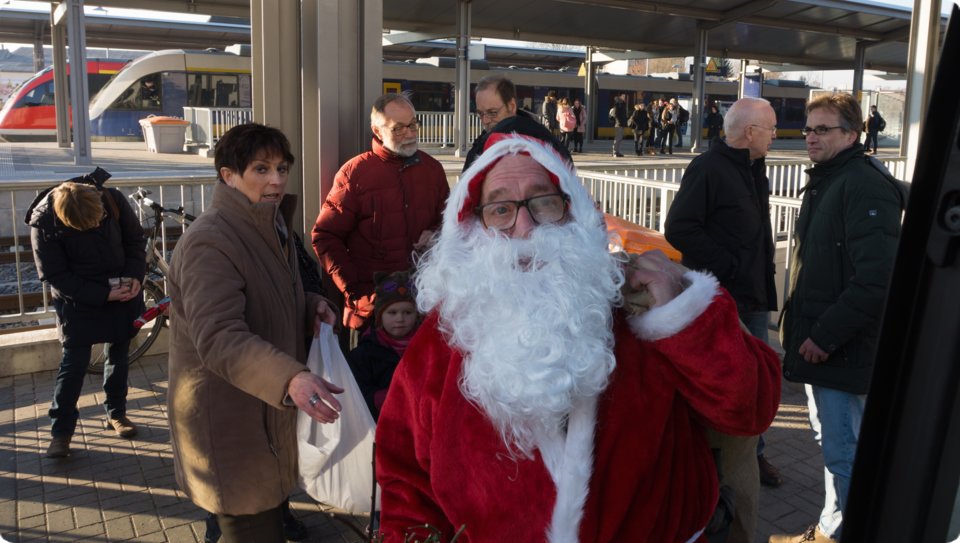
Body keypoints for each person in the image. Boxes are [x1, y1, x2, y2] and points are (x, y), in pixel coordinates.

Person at [375, 133, 782, 542]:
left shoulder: (642, 303)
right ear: (471, 228)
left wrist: (681, 310)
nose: (526, 226)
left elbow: (750, 410)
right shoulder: (446, 335)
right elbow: (403, 474)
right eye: (500, 210)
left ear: (574, 212)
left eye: (544, 202)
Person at [167, 123, 342, 543]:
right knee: (246, 526)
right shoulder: (212, 240)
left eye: (281, 168)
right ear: (228, 175)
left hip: (260, 412)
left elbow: (268, 298)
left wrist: (310, 305)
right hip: (229, 421)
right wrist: (290, 377)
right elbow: (219, 335)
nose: (276, 180)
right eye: (261, 169)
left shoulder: (270, 226)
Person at [770, 94, 907, 543]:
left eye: (822, 129)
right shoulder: (831, 178)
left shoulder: (860, 184)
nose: (810, 136)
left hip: (840, 348)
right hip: (823, 343)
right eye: (808, 128)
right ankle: (832, 528)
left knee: (845, 453)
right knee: (834, 446)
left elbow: (876, 278)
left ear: (851, 134)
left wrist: (824, 337)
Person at [665, 97, 782, 543]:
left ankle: (755, 455)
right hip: (726, 301)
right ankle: (726, 467)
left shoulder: (754, 170)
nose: (775, 135)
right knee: (735, 390)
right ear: (749, 132)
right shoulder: (709, 168)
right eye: (770, 128)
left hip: (753, 296)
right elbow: (680, 228)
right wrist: (730, 265)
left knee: (757, 386)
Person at [26, 169, 146, 458]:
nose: (96, 225)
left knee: (119, 356)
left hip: (122, 293)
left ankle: (116, 413)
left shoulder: (111, 199)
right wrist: (101, 294)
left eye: (99, 221)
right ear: (66, 220)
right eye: (87, 225)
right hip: (78, 302)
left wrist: (134, 277)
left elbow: (134, 241)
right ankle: (61, 433)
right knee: (73, 366)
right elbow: (55, 275)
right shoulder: (44, 222)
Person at [312, 93, 448, 341]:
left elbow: (452, 225)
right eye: (398, 129)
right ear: (377, 130)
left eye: (413, 124)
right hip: (373, 315)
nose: (409, 134)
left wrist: (437, 233)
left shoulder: (432, 170)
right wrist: (355, 294)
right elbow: (325, 236)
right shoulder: (355, 173)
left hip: (424, 309)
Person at [347, 269, 419, 421]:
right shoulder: (364, 354)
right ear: (380, 316)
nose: (400, 319)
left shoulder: (426, 349)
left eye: (408, 312)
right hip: (380, 423)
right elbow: (355, 394)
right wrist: (383, 398)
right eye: (392, 313)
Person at [463, 74, 569, 169]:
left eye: (492, 112)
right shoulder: (480, 146)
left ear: (512, 106)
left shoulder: (543, 147)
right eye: (480, 113)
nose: (485, 120)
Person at [611, 93, 628, 157]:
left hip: (622, 124)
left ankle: (617, 152)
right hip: (619, 124)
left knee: (620, 138)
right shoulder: (618, 104)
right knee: (617, 138)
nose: (624, 97)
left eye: (624, 96)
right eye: (623, 96)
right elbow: (615, 114)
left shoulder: (623, 104)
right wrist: (619, 122)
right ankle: (614, 152)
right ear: (620, 96)